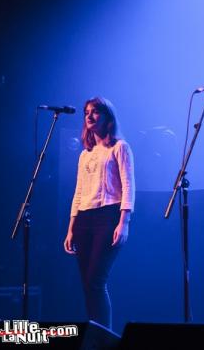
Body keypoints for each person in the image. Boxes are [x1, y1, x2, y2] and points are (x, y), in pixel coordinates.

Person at [64, 96, 135, 329]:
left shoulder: (119, 147)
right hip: (84, 218)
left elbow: (128, 186)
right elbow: (78, 191)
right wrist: (70, 229)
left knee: (96, 279)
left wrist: (124, 222)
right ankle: (94, 332)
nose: (90, 116)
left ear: (107, 117)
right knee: (87, 283)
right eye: (86, 112)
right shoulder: (85, 154)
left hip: (108, 216)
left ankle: (103, 337)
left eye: (95, 112)